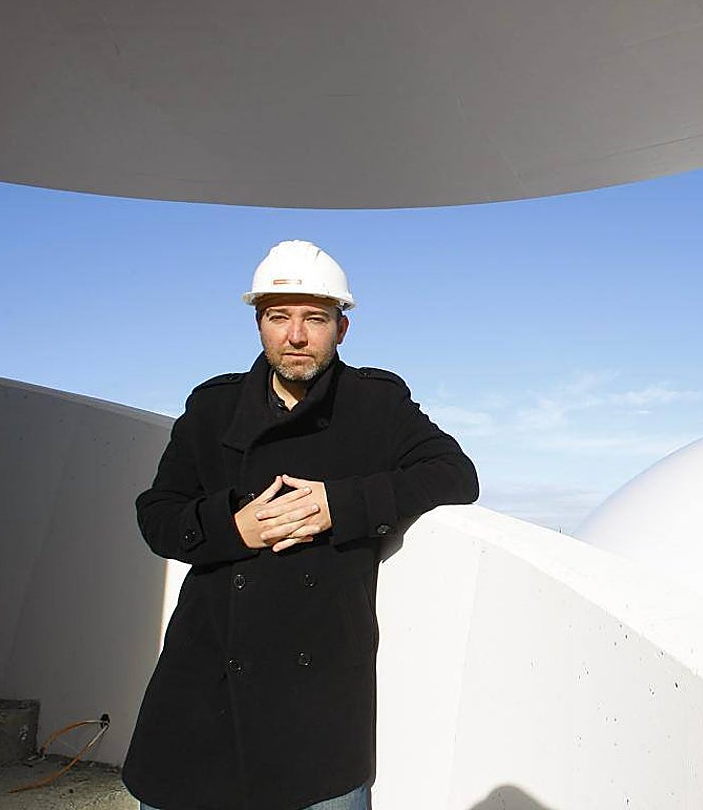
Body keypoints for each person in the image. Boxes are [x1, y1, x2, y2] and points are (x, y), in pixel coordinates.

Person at [123, 240, 478, 810]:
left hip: (320, 700)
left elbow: (456, 475)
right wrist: (235, 528)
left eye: (314, 318)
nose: (295, 336)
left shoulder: (376, 404)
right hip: (204, 683)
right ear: (258, 325)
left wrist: (341, 505)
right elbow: (157, 516)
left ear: (342, 328)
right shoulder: (212, 407)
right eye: (278, 317)